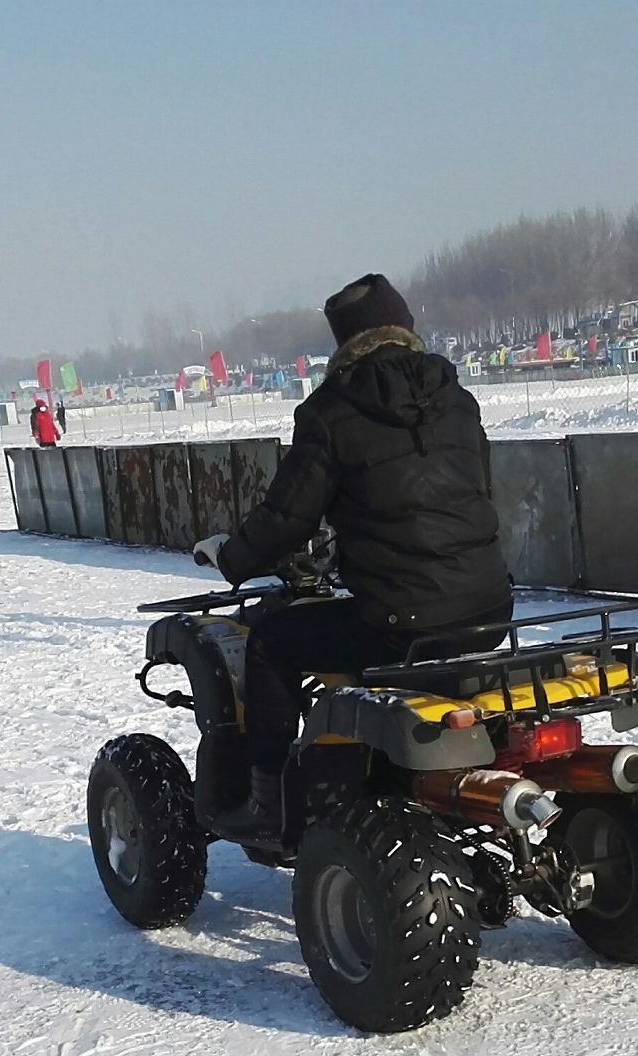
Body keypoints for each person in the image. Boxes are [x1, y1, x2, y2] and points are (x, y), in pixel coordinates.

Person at [196, 271, 512, 844]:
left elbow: (289, 519)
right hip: (490, 610)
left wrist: (232, 555)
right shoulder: (457, 400)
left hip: (399, 621)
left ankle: (268, 800)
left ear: (344, 341)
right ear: (406, 327)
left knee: (270, 641)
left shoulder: (332, 412)